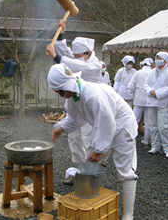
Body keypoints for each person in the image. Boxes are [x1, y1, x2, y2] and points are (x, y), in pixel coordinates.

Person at [48, 63, 138, 220]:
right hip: (107, 127)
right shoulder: (74, 95)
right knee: (91, 164)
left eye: (61, 91)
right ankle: (93, 198)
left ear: (67, 85)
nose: (61, 95)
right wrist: (60, 128)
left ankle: (128, 215)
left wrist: (99, 150)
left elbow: (107, 122)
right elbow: (74, 119)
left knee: (125, 172)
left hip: (122, 127)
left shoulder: (92, 94)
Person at [46, 19, 102, 185]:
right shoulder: (80, 58)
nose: (75, 58)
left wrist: (56, 57)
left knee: (88, 141)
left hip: (90, 108)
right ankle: (78, 172)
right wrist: (61, 33)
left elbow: (69, 61)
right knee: (75, 141)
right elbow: (69, 55)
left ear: (87, 53)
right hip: (75, 106)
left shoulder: (95, 66)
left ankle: (90, 176)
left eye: (78, 56)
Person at [143, 52, 168, 158]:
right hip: (152, 101)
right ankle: (155, 146)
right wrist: (151, 91)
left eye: (160, 58)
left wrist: (158, 93)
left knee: (163, 126)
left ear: (165, 60)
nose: (158, 60)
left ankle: (167, 148)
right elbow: (146, 84)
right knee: (152, 125)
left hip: (163, 102)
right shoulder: (152, 71)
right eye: (157, 58)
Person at [128, 58, 153, 146]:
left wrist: (134, 92)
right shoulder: (153, 73)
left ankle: (131, 138)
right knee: (148, 120)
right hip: (150, 99)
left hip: (139, 99)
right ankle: (146, 140)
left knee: (134, 119)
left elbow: (130, 86)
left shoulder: (138, 73)